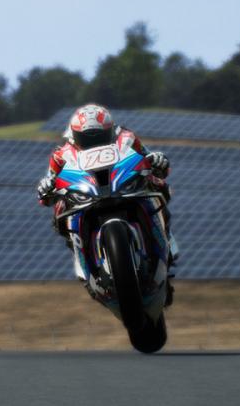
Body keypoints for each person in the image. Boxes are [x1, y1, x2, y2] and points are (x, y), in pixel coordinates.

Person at [36, 104, 177, 298]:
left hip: (121, 186)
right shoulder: (61, 155)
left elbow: (149, 158)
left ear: (110, 130)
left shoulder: (126, 138)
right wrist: (46, 188)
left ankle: (166, 239)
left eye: (99, 136)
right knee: (61, 208)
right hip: (86, 194)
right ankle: (81, 258)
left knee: (156, 184)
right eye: (87, 138)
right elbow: (49, 183)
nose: (94, 142)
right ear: (75, 135)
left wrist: (158, 161)